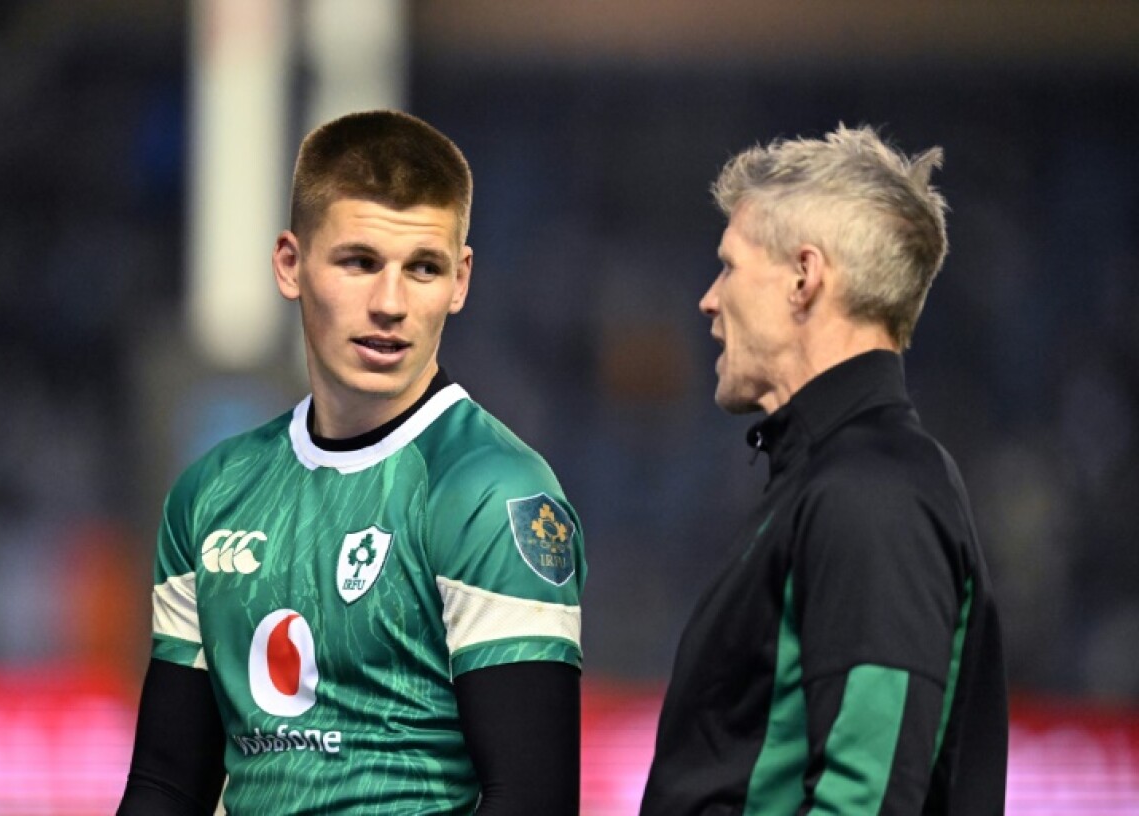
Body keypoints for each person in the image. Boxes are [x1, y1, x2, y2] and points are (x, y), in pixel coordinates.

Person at [119, 110, 586, 815]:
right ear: (290, 264)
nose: (391, 303)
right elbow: (165, 788)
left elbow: (533, 802)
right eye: (360, 262)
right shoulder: (210, 493)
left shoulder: (495, 494)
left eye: (422, 269)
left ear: (460, 281)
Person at [640, 125, 1008, 815]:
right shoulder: (835, 480)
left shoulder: (873, 493)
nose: (709, 300)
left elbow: (864, 802)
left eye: (728, 266)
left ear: (805, 278)